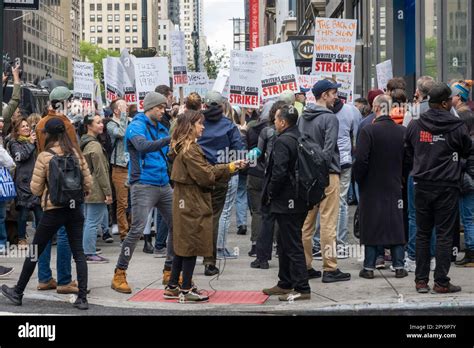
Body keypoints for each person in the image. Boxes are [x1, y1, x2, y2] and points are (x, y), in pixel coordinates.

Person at [1, 118, 92, 310]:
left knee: (35, 250)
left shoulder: (44, 156)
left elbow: (35, 188)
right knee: (79, 252)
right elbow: (88, 183)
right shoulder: (76, 153)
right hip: (75, 210)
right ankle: (82, 298)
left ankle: (18, 292)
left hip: (53, 210)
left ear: (48, 135)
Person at [163, 110, 245, 302]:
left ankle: (173, 285)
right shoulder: (190, 149)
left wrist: (230, 166)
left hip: (185, 199)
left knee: (182, 245)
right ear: (190, 126)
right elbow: (206, 176)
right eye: (200, 124)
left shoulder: (182, 146)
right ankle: (185, 288)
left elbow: (205, 171)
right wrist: (229, 168)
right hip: (191, 201)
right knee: (191, 244)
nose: (203, 127)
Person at [405, 83, 471, 294]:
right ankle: (441, 282)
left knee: (423, 233)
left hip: (422, 184)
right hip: (447, 186)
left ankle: (421, 281)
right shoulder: (457, 126)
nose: (453, 101)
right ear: (444, 103)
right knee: (443, 234)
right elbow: (467, 150)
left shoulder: (416, 125)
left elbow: (408, 151)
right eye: (450, 98)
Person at [111, 92, 173, 293]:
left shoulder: (162, 126)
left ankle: (170, 270)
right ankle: (120, 272)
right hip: (143, 184)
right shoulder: (136, 126)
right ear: (149, 108)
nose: (163, 111)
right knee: (136, 229)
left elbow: (169, 151)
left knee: (178, 226)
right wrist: (170, 140)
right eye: (160, 108)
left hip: (164, 184)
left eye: (164, 108)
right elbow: (142, 146)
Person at [298, 80, 351, 283]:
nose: (336, 96)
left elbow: (301, 145)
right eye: (333, 93)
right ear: (324, 95)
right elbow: (328, 151)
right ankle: (330, 268)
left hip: (307, 176)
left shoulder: (304, 117)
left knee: (306, 223)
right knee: (328, 222)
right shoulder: (330, 119)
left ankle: (305, 265)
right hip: (327, 174)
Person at [354, 95, 408, 279]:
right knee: (395, 222)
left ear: (376, 108)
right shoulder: (402, 131)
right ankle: (399, 265)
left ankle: (369, 266)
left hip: (371, 184)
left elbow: (361, 160)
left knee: (371, 223)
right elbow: (408, 160)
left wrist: (359, 179)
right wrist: (401, 177)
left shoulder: (368, 131)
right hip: (394, 183)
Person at [261, 105, 311, 301]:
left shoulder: (283, 141)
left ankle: (302, 288)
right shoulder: (300, 136)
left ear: (283, 122)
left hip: (287, 200)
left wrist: (270, 194)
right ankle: (285, 282)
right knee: (283, 241)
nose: (274, 122)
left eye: (276, 119)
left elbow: (279, 172)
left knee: (292, 243)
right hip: (299, 199)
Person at [34, 86, 79, 295]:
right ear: (62, 102)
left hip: (44, 178)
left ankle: (44, 278)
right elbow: (74, 153)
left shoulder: (41, 123)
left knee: (43, 232)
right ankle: (64, 280)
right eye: (69, 100)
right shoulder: (66, 124)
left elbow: (40, 152)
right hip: (64, 183)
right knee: (64, 232)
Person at [197, 91, 243, 276]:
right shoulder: (229, 126)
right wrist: (231, 169)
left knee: (195, 218)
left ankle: (186, 259)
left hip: (198, 176)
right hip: (220, 176)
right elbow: (238, 152)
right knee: (213, 218)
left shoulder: (197, 123)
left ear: (205, 105)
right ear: (223, 106)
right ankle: (209, 261)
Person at [403, 76, 437, 272]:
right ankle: (431, 257)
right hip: (439, 171)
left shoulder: (414, 113)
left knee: (415, 216)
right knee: (433, 215)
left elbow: (405, 140)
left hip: (417, 169)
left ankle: (414, 257)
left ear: (419, 92)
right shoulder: (447, 111)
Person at [251, 101, 286, 269]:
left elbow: (257, 153)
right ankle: (282, 253)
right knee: (285, 219)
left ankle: (262, 257)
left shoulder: (266, 131)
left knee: (266, 217)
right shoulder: (294, 133)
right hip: (287, 180)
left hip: (270, 176)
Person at [330, 97, 361, 257]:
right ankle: (340, 244)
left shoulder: (317, 111)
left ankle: (321, 244)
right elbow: (357, 136)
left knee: (324, 203)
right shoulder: (351, 111)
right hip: (344, 160)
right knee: (341, 203)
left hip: (326, 162)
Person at [80, 114, 113, 263]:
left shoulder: (85, 141)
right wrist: (108, 192)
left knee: (89, 221)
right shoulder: (94, 146)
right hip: (95, 188)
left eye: (102, 122)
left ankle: (87, 249)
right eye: (98, 122)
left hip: (87, 187)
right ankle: (89, 252)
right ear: (89, 126)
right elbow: (101, 171)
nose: (102, 125)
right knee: (93, 222)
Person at [9, 118, 42, 250]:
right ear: (17, 130)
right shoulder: (14, 143)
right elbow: (20, 157)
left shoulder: (34, 141)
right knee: (23, 213)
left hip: (35, 181)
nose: (26, 128)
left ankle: (41, 238)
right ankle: (21, 238)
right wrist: (30, 143)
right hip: (22, 183)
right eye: (23, 126)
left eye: (27, 126)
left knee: (39, 212)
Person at [107, 99, 130, 244]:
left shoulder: (130, 121)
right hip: (119, 168)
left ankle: (133, 230)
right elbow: (121, 133)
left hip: (131, 166)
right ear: (116, 110)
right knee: (123, 202)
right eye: (123, 106)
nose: (127, 107)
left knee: (134, 200)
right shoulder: (110, 124)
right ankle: (124, 233)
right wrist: (124, 116)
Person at [456, 98, 474, 267]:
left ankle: (471, 252)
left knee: (468, 219)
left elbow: (461, 163)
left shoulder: (466, 142)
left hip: (468, 185)